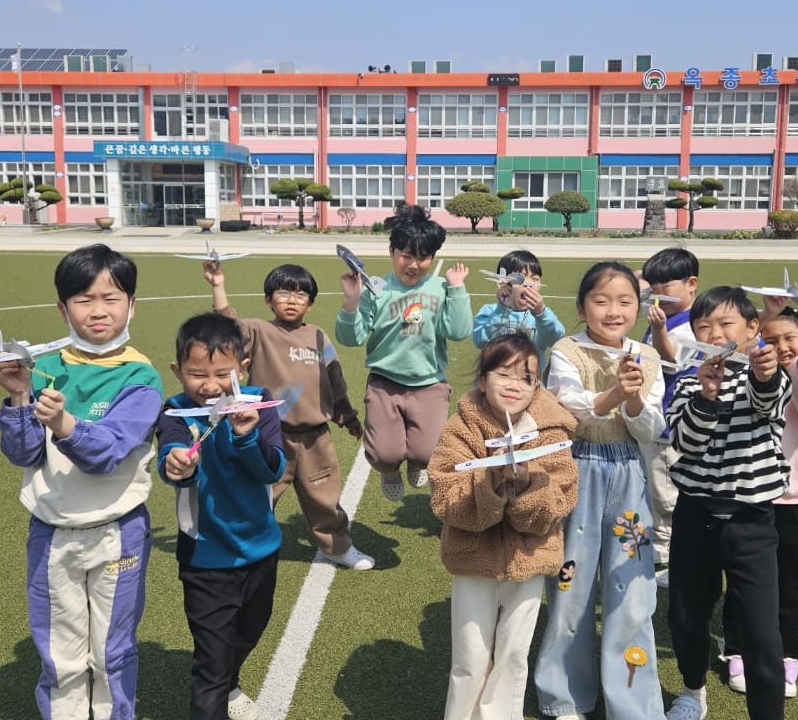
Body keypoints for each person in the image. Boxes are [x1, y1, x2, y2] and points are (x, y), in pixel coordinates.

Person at [0, 244, 162, 720]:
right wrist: (19, 399)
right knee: (60, 647)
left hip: (118, 532)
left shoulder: (140, 377)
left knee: (111, 647)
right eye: (83, 298)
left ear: (132, 305)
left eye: (111, 298)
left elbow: (110, 451)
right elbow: (23, 454)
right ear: (62, 307)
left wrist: (64, 421)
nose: (98, 310)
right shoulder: (48, 367)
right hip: (51, 533)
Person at [534, 260, 686, 720]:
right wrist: (616, 393)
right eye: (602, 300)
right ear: (582, 307)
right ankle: (564, 695)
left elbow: (651, 430)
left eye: (625, 301)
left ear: (640, 307)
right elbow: (570, 412)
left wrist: (636, 393)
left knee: (632, 594)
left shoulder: (645, 353)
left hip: (628, 479)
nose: (614, 310)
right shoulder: (565, 351)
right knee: (570, 588)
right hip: (576, 475)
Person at [428, 334, 579, 720]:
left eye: (527, 376)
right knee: (471, 655)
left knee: (514, 653)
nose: (515, 383)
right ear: (482, 378)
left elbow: (560, 502)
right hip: (473, 561)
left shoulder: (552, 431)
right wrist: (490, 486)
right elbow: (445, 495)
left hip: (530, 561)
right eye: (503, 373)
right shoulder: (463, 427)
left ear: (539, 385)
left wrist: (528, 484)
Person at [664, 286, 794, 720]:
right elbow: (682, 441)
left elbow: (769, 403)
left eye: (726, 326)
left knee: (762, 633)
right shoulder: (689, 379)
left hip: (751, 520)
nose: (715, 336)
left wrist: (762, 375)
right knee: (687, 614)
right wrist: (706, 396)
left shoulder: (768, 373)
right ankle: (693, 694)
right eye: (704, 328)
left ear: (751, 330)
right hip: (695, 514)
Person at [157, 313, 287, 720]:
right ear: (178, 370)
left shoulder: (259, 405)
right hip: (206, 559)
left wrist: (246, 434)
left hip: (261, 549)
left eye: (221, 374)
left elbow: (271, 470)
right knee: (209, 663)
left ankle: (232, 681)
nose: (210, 387)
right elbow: (172, 464)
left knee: (250, 630)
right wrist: (176, 465)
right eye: (197, 374)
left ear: (243, 367)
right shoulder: (175, 412)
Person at [205, 259, 374, 570]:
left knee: (324, 497)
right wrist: (218, 286)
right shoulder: (259, 331)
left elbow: (334, 380)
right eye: (284, 293)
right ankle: (245, 545)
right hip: (269, 434)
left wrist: (347, 416)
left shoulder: (318, 336)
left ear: (310, 304)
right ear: (268, 300)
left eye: (301, 295)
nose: (292, 300)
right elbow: (227, 328)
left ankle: (336, 547)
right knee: (258, 494)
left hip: (315, 436)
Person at [719, 303, 798, 700]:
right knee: (742, 578)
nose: (782, 346)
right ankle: (735, 647)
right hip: (749, 493)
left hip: (797, 495)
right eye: (771, 338)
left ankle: (787, 651)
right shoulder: (746, 375)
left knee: (788, 581)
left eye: (791, 338)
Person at [335, 203, 471, 501]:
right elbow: (351, 338)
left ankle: (416, 463)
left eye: (422, 258)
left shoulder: (442, 288)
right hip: (385, 383)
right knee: (383, 455)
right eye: (406, 256)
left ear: (432, 257)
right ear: (392, 253)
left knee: (428, 453)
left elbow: (459, 331)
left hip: (429, 383)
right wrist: (351, 302)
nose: (413, 264)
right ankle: (391, 471)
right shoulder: (377, 289)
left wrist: (458, 289)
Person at [637, 247, 702, 584]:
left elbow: (675, 362)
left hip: (671, 423)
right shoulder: (666, 316)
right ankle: (665, 555)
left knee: (667, 495)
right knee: (656, 490)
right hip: (655, 418)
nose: (658, 292)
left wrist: (659, 332)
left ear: (692, 283)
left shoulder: (692, 324)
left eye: (667, 285)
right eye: (654, 285)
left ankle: (669, 560)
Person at [471, 249, 567, 369]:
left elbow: (556, 339)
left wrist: (541, 314)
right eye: (520, 279)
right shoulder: (490, 311)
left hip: (531, 382)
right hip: (497, 380)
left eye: (535, 279)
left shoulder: (541, 316)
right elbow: (480, 341)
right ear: (503, 283)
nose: (529, 284)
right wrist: (502, 309)